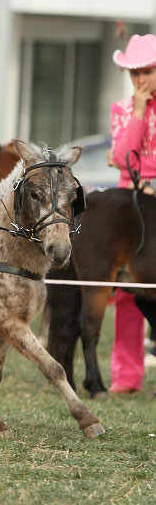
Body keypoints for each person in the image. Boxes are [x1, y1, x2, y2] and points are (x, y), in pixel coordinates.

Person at [106, 34, 156, 392]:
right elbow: (124, 159)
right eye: (134, 73)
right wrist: (138, 113)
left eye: (146, 72)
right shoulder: (122, 109)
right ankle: (126, 377)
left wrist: (140, 168)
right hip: (128, 204)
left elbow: (123, 159)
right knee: (125, 288)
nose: (139, 81)